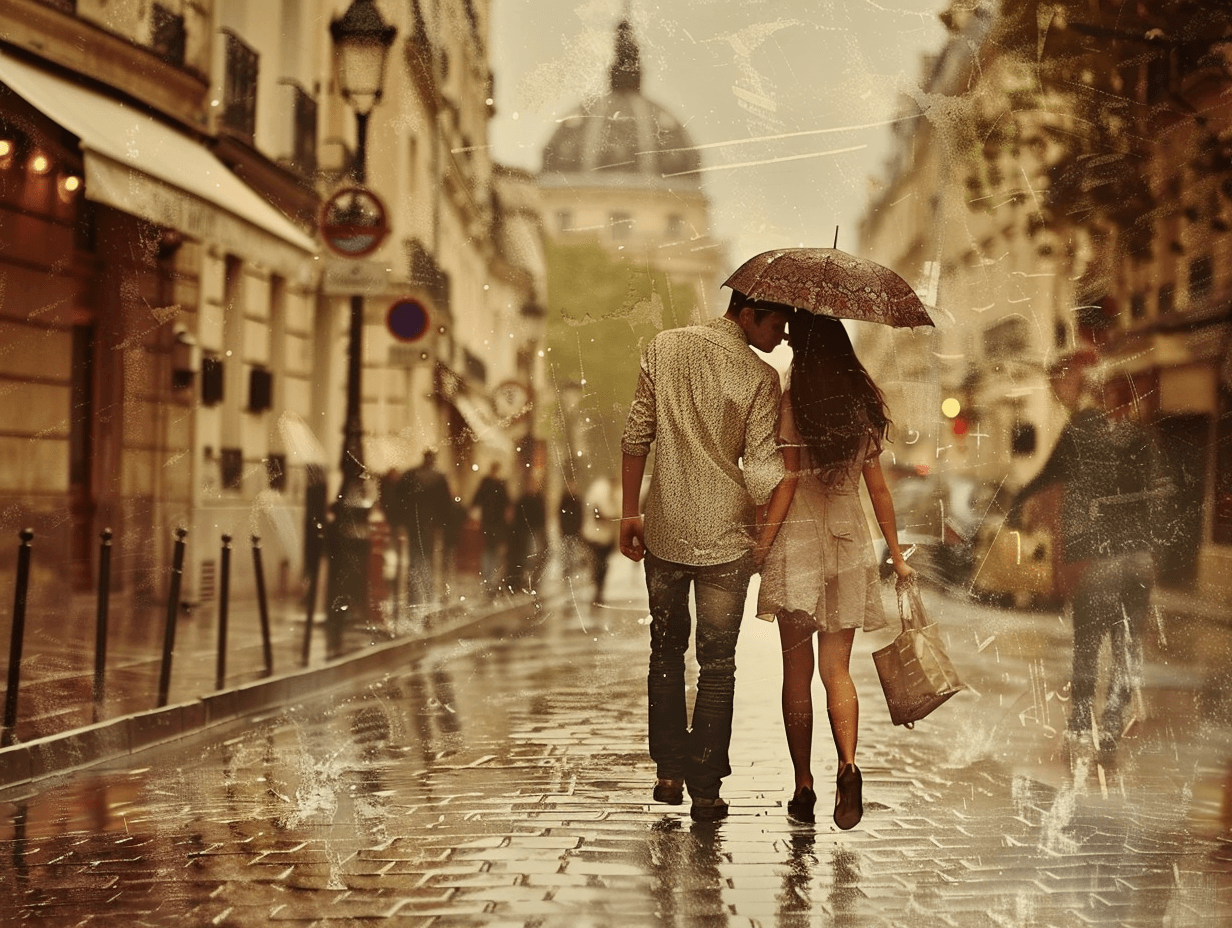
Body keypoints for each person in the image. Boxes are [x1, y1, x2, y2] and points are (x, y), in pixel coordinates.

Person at [620, 290, 790, 821]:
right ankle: (707, 788)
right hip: (727, 536)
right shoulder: (762, 379)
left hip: (665, 526)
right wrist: (773, 519)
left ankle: (668, 772)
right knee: (718, 664)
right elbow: (763, 470)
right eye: (777, 323)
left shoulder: (663, 347)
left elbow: (635, 436)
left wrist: (631, 513)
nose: (781, 336)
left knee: (665, 653)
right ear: (747, 314)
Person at [753, 311, 915, 829]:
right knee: (837, 671)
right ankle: (848, 764)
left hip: (798, 545)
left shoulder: (792, 399)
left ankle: (804, 786)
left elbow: (789, 481)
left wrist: (762, 546)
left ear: (798, 344)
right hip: (848, 545)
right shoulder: (858, 404)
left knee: (796, 677)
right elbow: (879, 489)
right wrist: (896, 551)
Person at [1007, 347, 1163, 767]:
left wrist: (1010, 513)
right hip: (1139, 560)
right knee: (1128, 650)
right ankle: (1110, 731)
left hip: (1099, 559)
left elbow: (1045, 477)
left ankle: (1079, 731)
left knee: (1088, 648)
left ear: (1079, 382)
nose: (1056, 391)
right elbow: (1158, 496)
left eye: (1059, 382)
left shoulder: (1081, 429)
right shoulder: (1139, 435)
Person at [405, 450, 451, 604]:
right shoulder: (439, 478)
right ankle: (425, 597)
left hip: (414, 523)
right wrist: (443, 526)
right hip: (430, 526)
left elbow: (403, 500)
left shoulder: (411, 475)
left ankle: (414, 598)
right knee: (426, 560)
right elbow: (445, 505)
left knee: (414, 560)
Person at [471, 462, 510, 596]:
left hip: (495, 523)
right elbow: (477, 499)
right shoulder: (492, 483)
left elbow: (506, 503)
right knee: (490, 551)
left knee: (491, 551)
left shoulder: (498, 484)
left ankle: (490, 580)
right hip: (490, 523)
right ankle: (489, 580)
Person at [581, 475, 620, 605]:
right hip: (597, 535)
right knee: (599, 564)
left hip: (602, 536)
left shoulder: (604, 491)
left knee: (601, 564)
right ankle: (598, 589)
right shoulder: (601, 491)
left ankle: (598, 589)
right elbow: (600, 512)